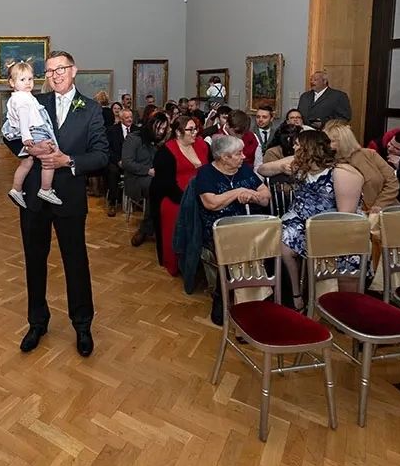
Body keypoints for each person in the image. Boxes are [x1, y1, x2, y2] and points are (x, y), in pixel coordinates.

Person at [3, 51, 109, 357]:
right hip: (35, 196)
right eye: (49, 71)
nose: (55, 75)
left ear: (74, 70)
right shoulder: (33, 100)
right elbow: (10, 133)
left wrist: (69, 160)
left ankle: (83, 325)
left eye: (60, 69)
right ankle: (37, 322)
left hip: (70, 198)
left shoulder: (90, 109)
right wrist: (27, 150)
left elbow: (102, 154)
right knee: (34, 262)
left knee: (76, 262)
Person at [258, 130, 364, 309]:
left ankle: (343, 303)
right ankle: (295, 294)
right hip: (299, 219)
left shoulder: (341, 173)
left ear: (309, 148)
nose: (293, 147)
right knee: (280, 240)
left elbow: (345, 217)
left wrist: (317, 232)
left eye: (298, 144)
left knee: (344, 253)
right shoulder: (297, 163)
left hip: (333, 224)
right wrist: (281, 168)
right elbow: (262, 169)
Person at [196, 136, 271, 323]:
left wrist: (253, 196)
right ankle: (243, 305)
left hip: (248, 226)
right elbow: (211, 203)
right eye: (238, 154)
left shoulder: (244, 170)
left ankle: (252, 303)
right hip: (220, 229)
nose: (244, 157)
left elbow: (265, 196)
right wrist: (237, 193)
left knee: (267, 245)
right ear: (224, 157)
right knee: (243, 249)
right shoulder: (206, 173)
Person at [151, 117, 211, 277]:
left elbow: (210, 169)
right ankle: (177, 262)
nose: (195, 132)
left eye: (195, 128)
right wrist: (189, 201)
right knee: (178, 214)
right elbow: (165, 185)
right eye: (190, 129)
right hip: (175, 197)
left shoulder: (202, 145)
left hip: (202, 193)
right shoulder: (166, 152)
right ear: (178, 132)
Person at [1, 62, 62, 207]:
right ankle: (45, 189)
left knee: (27, 161)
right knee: (49, 159)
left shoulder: (20, 97)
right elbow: (23, 118)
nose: (28, 83)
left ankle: (16, 188)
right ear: (12, 82)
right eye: (23, 80)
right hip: (34, 131)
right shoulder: (23, 98)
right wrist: (26, 137)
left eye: (30, 79)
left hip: (31, 131)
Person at [322, 120, 399, 212]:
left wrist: (379, 205)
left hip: (383, 211)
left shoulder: (369, 155)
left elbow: (392, 182)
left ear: (344, 141)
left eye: (330, 142)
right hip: (349, 214)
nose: (325, 146)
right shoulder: (325, 163)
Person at [125, 112, 169, 248]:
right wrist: (147, 170)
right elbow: (127, 162)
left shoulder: (160, 142)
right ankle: (146, 229)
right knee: (156, 189)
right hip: (136, 178)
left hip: (154, 177)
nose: (161, 132)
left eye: (163, 129)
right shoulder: (134, 138)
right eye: (159, 128)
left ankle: (161, 226)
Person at [105, 107, 133, 217]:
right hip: (117, 161)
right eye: (127, 117)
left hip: (132, 162)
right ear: (121, 119)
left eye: (131, 117)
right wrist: (118, 161)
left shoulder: (137, 130)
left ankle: (136, 201)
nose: (130, 119)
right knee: (112, 171)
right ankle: (112, 202)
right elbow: (108, 149)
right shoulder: (112, 130)